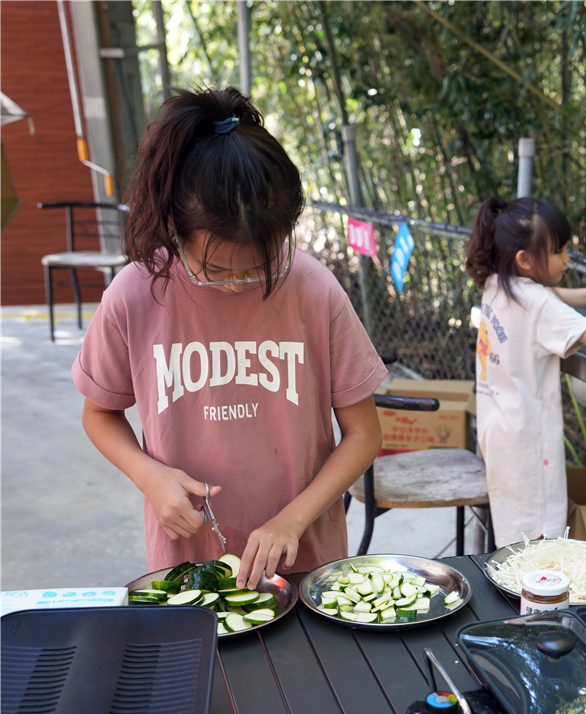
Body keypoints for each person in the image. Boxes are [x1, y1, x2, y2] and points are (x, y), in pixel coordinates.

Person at [72, 88, 386, 589]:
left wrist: (293, 519)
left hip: (306, 561)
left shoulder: (313, 290)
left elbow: (364, 433)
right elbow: (99, 414)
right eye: (216, 269)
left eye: (262, 266)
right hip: (186, 564)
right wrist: (149, 477)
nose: (239, 284)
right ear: (174, 226)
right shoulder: (135, 294)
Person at [466, 197, 586, 546]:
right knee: (539, 529)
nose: (567, 259)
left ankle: (516, 586)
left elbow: (541, 294)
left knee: (514, 525)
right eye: (558, 251)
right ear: (525, 260)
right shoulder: (538, 303)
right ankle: (538, 591)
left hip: (498, 428)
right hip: (529, 440)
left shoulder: (496, 284)